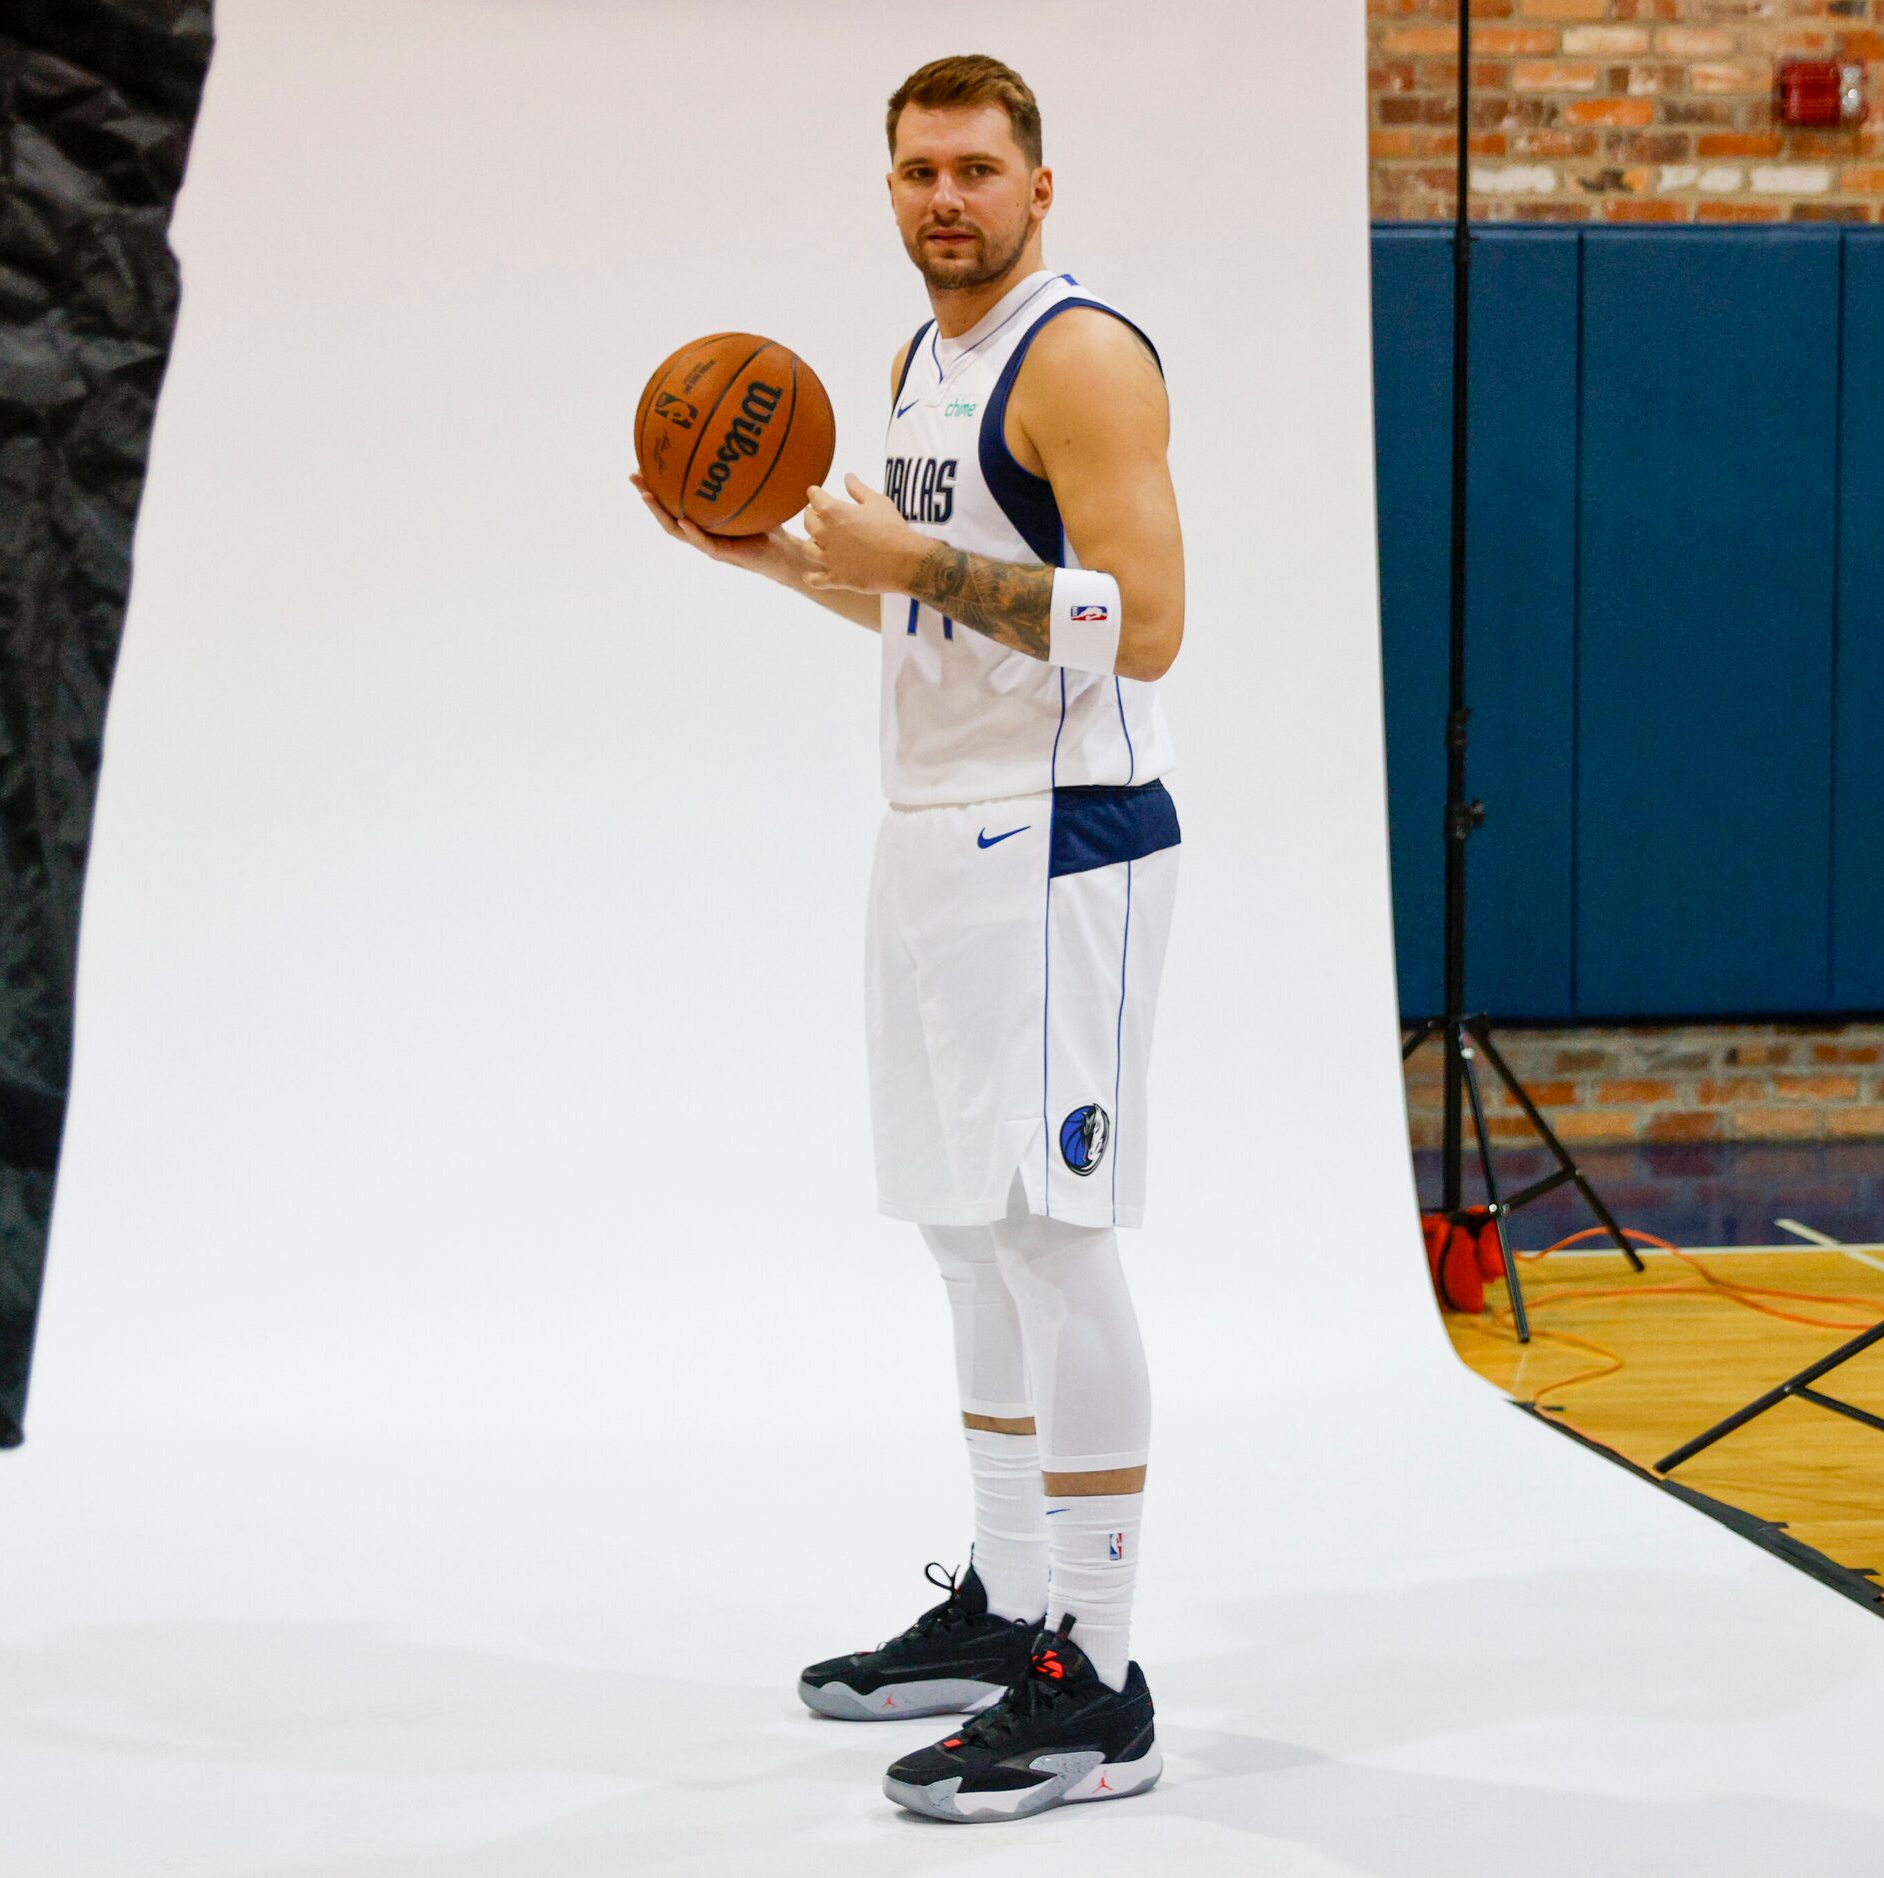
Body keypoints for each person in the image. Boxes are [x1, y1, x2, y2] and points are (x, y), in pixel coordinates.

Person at [631, 52, 1182, 1824]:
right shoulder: (914, 364)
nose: (945, 196)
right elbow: (914, 593)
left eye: (975, 167)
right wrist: (772, 560)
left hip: (1061, 843)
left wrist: (913, 565)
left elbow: (1145, 622)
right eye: (916, 171)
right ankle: (1012, 1603)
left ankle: (1099, 1676)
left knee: (1055, 1237)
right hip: (938, 832)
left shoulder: (1080, 355)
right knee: (964, 1235)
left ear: (1038, 185)